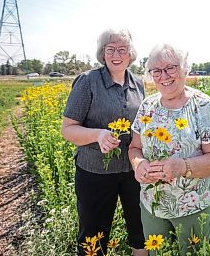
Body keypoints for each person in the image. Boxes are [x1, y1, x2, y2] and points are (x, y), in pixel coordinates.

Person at [129, 43, 210, 255]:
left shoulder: (202, 105)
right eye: (156, 71)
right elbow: (134, 148)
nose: (163, 76)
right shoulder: (148, 105)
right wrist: (138, 164)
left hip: (192, 206)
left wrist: (182, 166)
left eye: (170, 68)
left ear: (185, 69)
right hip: (152, 203)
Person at [61, 28, 147, 256]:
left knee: (141, 231)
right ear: (102, 53)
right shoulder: (88, 81)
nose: (116, 54)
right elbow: (68, 129)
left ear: (131, 53)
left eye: (122, 49)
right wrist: (98, 135)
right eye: (110, 49)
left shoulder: (138, 84)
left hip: (133, 170)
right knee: (93, 236)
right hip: (95, 171)